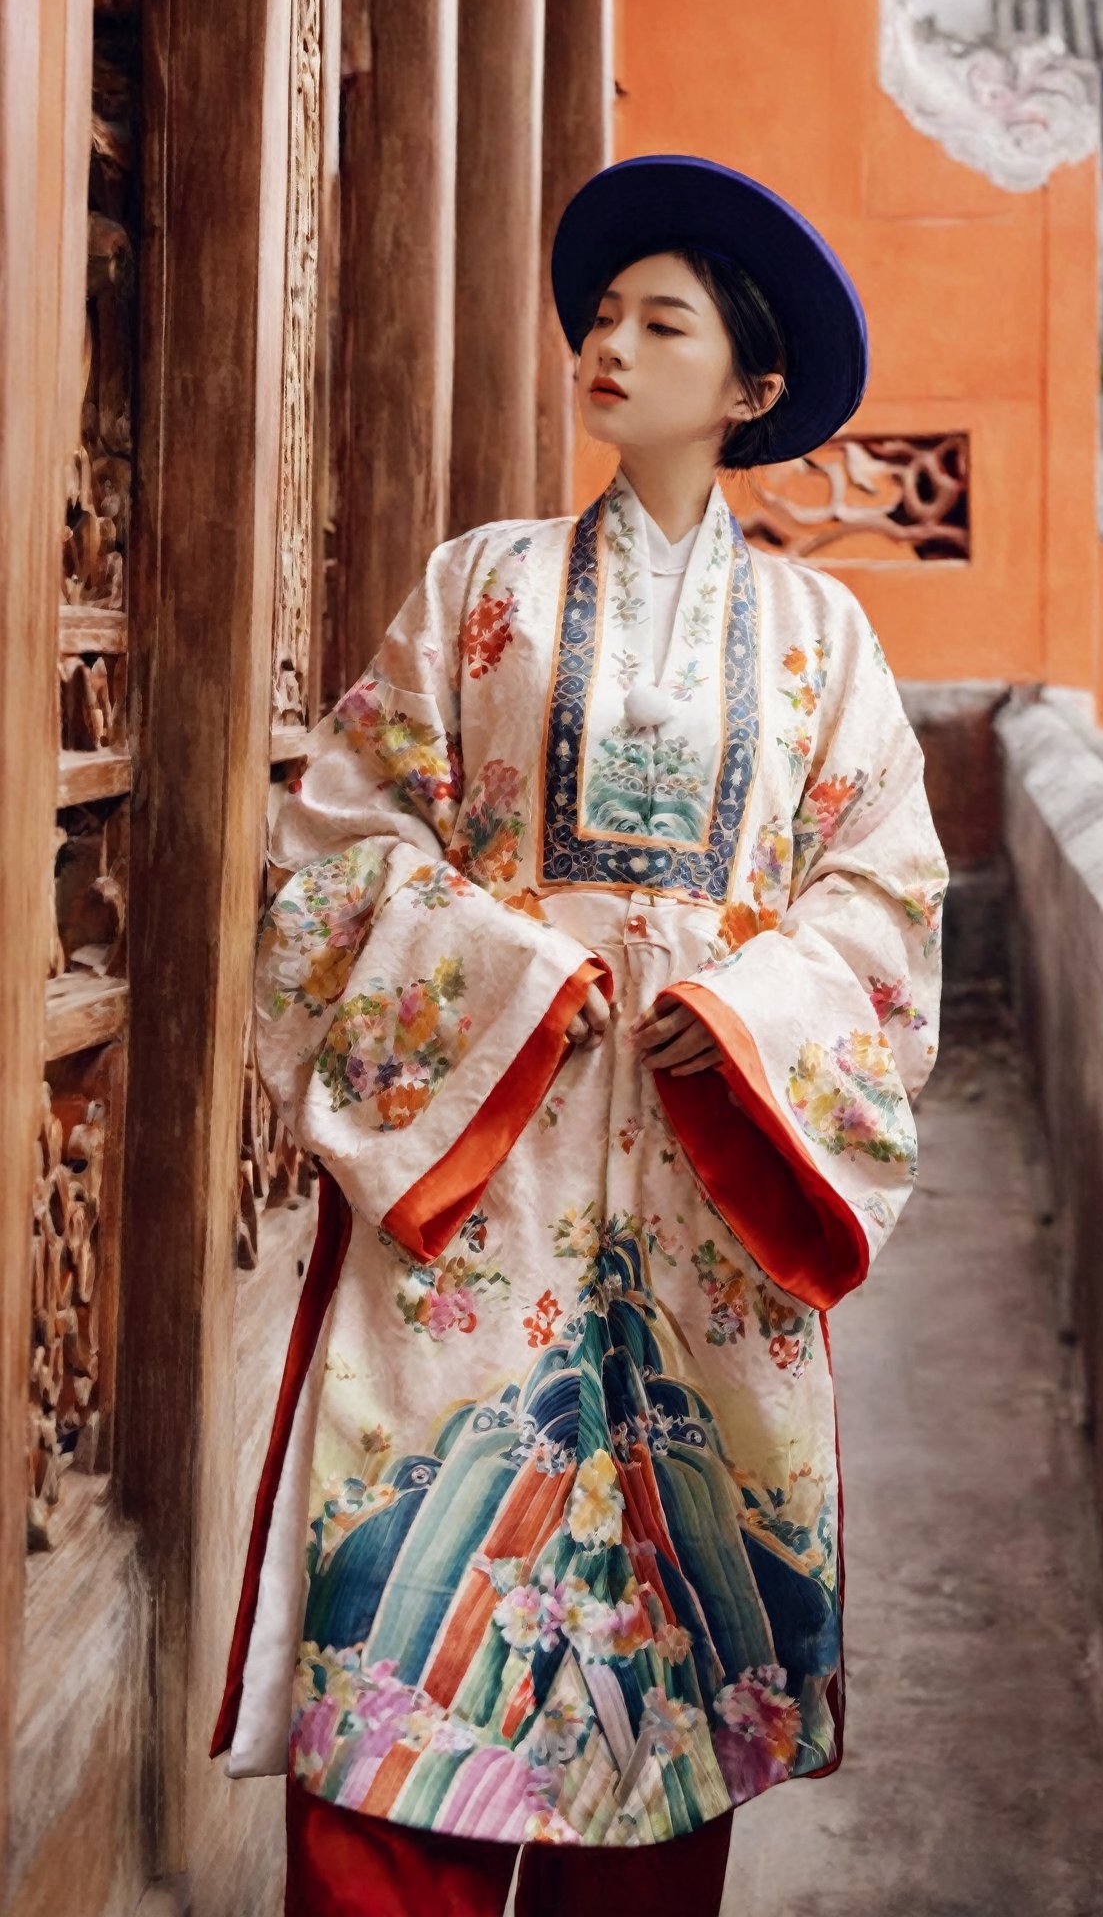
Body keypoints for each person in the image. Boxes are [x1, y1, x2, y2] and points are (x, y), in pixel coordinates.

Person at [212, 154, 948, 1915]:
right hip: (491, 1160)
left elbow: (886, 897)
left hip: (706, 1180)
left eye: (661, 321)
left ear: (749, 389)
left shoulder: (820, 636)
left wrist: (748, 1011)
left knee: (678, 1652)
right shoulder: (486, 584)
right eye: (603, 315)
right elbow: (343, 836)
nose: (610, 345)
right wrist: (518, 976)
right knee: (411, 1599)